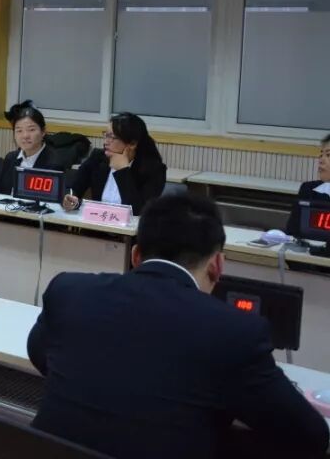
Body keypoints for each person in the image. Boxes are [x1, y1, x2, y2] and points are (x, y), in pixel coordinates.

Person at [28, 193, 329, 459]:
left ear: (135, 255)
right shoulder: (235, 331)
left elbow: (40, 355)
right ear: (217, 265)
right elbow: (310, 436)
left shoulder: (70, 290)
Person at [61, 112, 165, 215]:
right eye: (106, 135)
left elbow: (139, 211)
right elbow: (72, 187)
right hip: (96, 223)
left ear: (132, 143)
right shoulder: (98, 158)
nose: (106, 142)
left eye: (112, 137)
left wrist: (123, 171)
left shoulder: (154, 170)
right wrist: (71, 199)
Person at [0, 100, 66, 195]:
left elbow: (51, 200)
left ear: (43, 132)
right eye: (19, 131)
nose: (25, 136)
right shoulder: (10, 158)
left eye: (31, 130)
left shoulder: (54, 163)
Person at [286, 133, 330, 238]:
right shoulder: (308, 189)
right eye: (321, 155)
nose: (321, 160)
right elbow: (292, 232)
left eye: (328, 155)